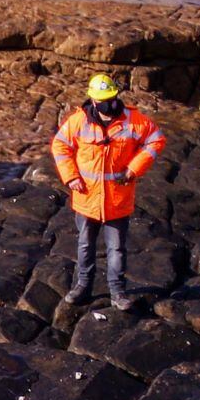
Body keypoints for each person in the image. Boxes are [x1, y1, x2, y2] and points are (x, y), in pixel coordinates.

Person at [51, 73, 166, 311]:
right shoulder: (78, 121)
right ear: (93, 100)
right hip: (87, 198)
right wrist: (70, 176)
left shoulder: (133, 120)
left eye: (111, 98)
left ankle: (118, 292)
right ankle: (83, 286)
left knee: (116, 248)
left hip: (117, 199)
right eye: (103, 99)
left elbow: (156, 140)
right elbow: (60, 145)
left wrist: (134, 168)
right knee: (85, 245)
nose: (109, 104)